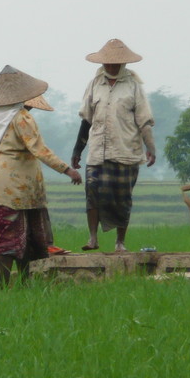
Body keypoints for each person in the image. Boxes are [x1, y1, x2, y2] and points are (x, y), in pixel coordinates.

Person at [0, 66, 82, 285]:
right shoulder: (21, 117)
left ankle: (10, 288)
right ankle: (14, 287)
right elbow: (39, 149)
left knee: (10, 239)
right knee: (21, 241)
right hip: (19, 188)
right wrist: (67, 169)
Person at [71, 39, 156, 253]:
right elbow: (86, 120)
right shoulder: (94, 84)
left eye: (115, 64)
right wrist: (77, 151)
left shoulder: (133, 86)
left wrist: (151, 148)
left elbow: (144, 121)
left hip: (125, 150)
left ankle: (120, 242)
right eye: (107, 64)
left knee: (122, 197)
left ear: (123, 64)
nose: (111, 67)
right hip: (97, 151)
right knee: (92, 191)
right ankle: (92, 238)